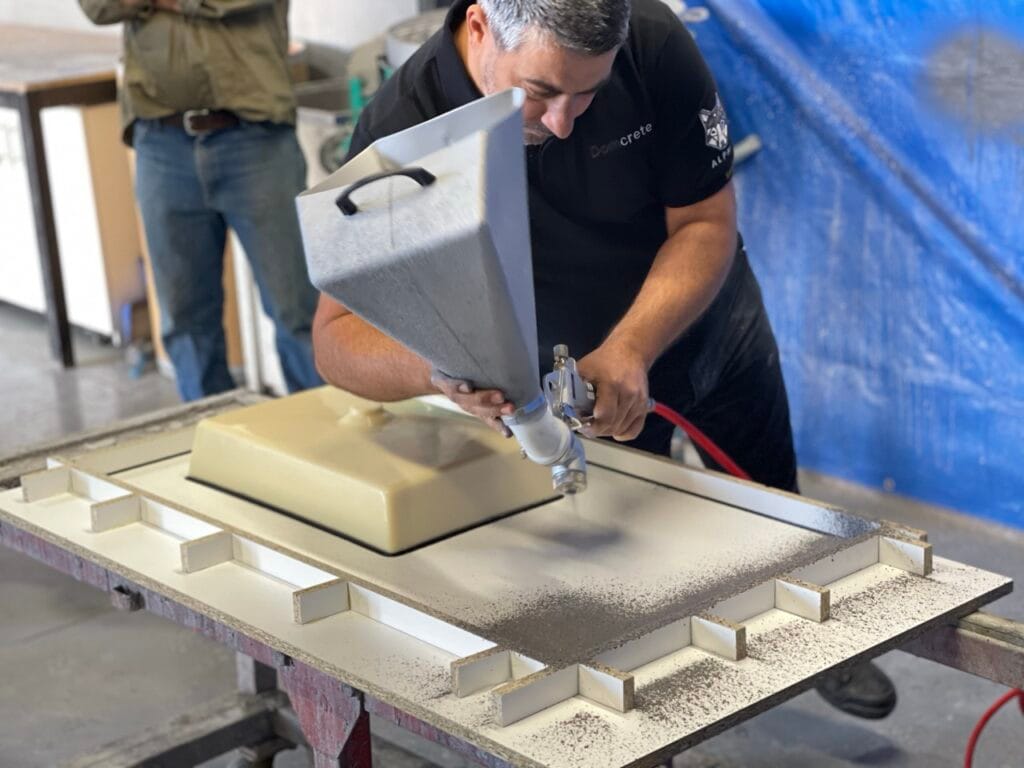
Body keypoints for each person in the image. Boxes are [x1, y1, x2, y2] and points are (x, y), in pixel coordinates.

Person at [311, 0, 896, 720]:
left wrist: (631, 347)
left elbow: (707, 220)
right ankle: (659, 717)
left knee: (777, 512)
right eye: (542, 92)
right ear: (478, 28)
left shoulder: (652, 43)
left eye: (587, 95)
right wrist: (434, 365)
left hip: (707, 322)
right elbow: (335, 336)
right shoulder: (407, 129)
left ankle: (819, 645)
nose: (562, 122)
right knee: (632, 576)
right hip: (579, 384)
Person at [79, 0, 321, 400]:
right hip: (161, 141)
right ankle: (213, 446)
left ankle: (330, 446)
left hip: (255, 138)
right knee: (186, 322)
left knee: (298, 313)